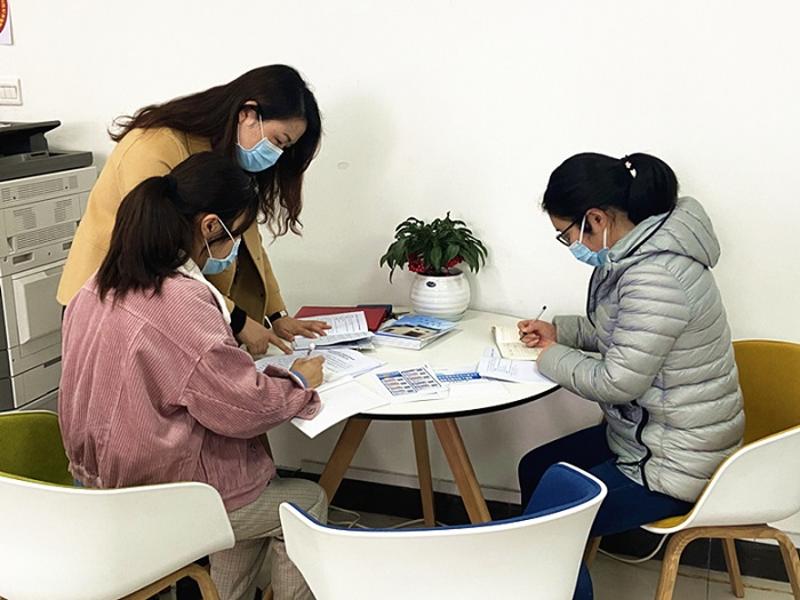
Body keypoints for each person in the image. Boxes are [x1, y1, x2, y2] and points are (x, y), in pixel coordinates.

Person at [59, 153, 327, 600]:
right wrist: (298, 382)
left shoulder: (95, 286)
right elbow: (243, 407)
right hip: (156, 499)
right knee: (304, 504)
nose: (234, 249)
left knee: (249, 490)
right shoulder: (179, 301)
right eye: (236, 234)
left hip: (92, 482)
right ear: (209, 226)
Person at [517, 152, 744, 599]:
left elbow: (617, 381)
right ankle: (543, 580)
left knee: (552, 525)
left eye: (566, 235)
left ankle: (546, 569)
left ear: (596, 219)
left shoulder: (655, 275)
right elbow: (624, 332)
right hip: (650, 436)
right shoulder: (642, 252)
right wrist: (560, 332)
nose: (570, 245)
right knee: (535, 468)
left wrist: (549, 357)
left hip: (674, 463)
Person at [57, 64, 329, 356]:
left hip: (172, 304)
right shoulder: (154, 147)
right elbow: (163, 252)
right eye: (278, 142)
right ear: (248, 114)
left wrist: (277, 315)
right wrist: (238, 320)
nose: (276, 156)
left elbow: (248, 239)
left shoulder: (228, 152)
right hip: (112, 303)